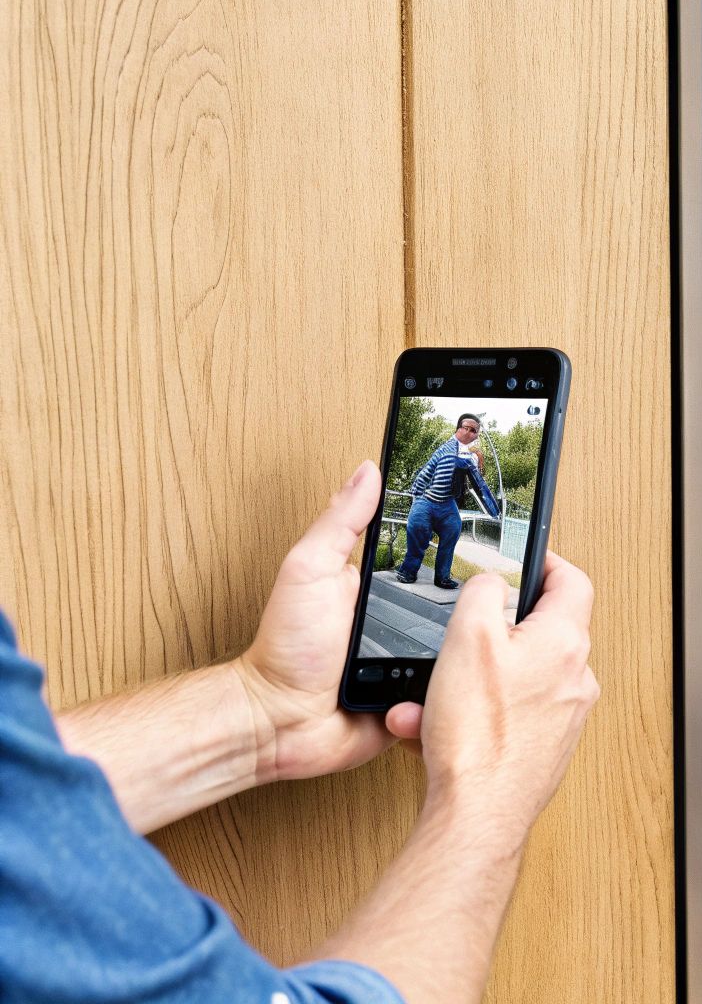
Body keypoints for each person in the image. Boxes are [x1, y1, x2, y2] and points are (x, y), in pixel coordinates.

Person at [0, 462, 600, 1003]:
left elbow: (16, 808)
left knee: (437, 559)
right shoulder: (445, 455)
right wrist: (490, 792)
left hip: (415, 550)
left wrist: (264, 709)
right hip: (425, 511)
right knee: (419, 551)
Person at [397, 413, 500, 590]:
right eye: (466, 428)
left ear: (476, 434)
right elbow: (428, 470)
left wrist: (493, 509)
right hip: (426, 500)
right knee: (418, 532)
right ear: (458, 429)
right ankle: (408, 571)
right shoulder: (448, 448)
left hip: (447, 503)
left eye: (473, 430)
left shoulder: (471, 454)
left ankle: (442, 577)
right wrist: (416, 495)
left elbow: (477, 481)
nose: (469, 432)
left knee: (453, 530)